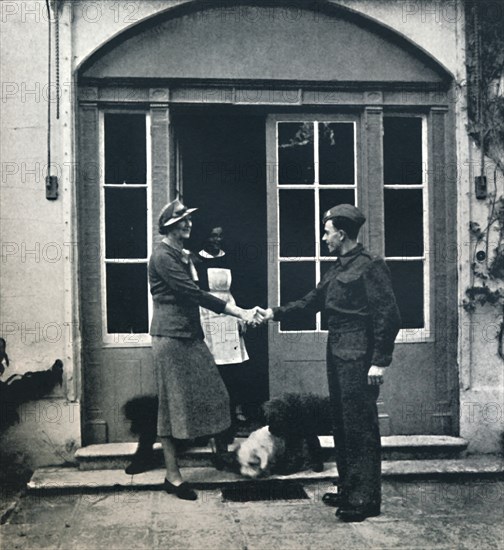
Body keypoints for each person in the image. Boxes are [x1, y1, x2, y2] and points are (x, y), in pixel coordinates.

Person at [257, 204, 401, 522]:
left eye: (327, 232)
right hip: (337, 354)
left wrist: (379, 362)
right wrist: (273, 313)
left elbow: (388, 316)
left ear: (342, 233)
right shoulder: (338, 267)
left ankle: (365, 499)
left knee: (360, 427)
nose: (324, 237)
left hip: (359, 357)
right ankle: (350, 487)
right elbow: (312, 302)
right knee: (341, 424)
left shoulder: (370, 265)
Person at [149, 199, 258, 501]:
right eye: (182, 221)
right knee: (170, 408)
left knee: (217, 395)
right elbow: (193, 293)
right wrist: (239, 312)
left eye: (189, 220)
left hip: (189, 335)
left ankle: (219, 451)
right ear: (169, 226)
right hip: (170, 337)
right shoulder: (162, 256)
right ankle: (173, 476)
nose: (188, 225)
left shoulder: (179, 254)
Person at [195, 226, 250, 428]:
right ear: (205, 237)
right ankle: (213, 412)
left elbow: (238, 290)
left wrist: (241, 317)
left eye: (220, 235)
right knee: (212, 364)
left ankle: (235, 409)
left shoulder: (230, 258)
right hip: (207, 313)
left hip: (230, 311)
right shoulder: (197, 260)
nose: (217, 240)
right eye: (213, 235)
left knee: (233, 364)